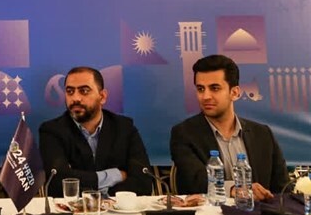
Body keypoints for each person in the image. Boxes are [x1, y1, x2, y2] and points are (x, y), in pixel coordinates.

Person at [170, 54, 288, 200]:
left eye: (214, 88)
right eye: (200, 89)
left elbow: (283, 189)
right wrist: (233, 189)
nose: (205, 96)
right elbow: (195, 182)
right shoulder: (184, 133)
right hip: (209, 213)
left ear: (235, 93)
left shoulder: (263, 134)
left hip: (260, 212)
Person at [39, 67, 153, 196]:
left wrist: (104, 196)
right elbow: (57, 183)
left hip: (117, 207)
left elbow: (143, 183)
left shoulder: (124, 128)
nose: (75, 98)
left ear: (102, 96)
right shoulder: (52, 131)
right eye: (70, 91)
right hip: (73, 208)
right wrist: (115, 175)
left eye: (84, 91)